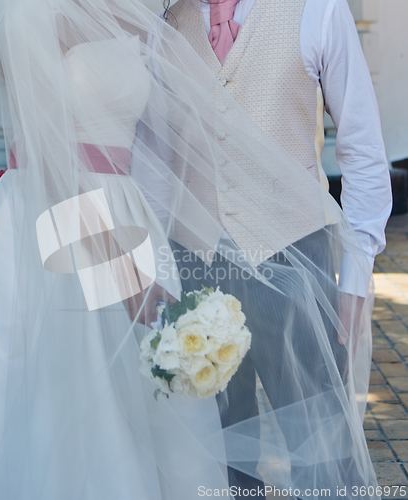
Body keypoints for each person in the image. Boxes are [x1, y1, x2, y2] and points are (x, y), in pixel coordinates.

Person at [0, 0, 384, 498]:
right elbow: (50, 159)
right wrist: (127, 268)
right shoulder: (46, 13)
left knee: (315, 437)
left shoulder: (150, 11)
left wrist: (356, 270)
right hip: (65, 223)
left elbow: (155, 150)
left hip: (240, 239)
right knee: (106, 405)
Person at [129, 0, 392, 495]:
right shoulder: (168, 20)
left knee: (319, 435)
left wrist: (357, 275)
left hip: (293, 253)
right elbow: (155, 165)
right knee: (216, 443)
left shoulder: (318, 9)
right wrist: (158, 269)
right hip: (194, 262)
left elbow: (362, 146)